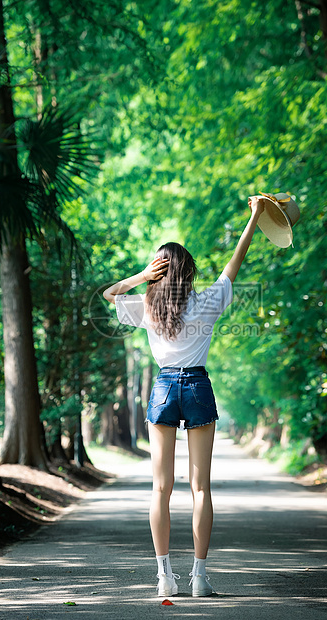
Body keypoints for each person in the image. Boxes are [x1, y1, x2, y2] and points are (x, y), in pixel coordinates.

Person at [103, 196, 265, 597]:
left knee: (160, 488)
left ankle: (163, 578)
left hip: (162, 389)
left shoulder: (147, 307)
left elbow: (109, 294)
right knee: (200, 488)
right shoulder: (206, 302)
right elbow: (235, 264)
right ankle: (199, 578)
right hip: (196, 386)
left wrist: (142, 276)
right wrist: (256, 216)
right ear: (189, 271)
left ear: (159, 273)